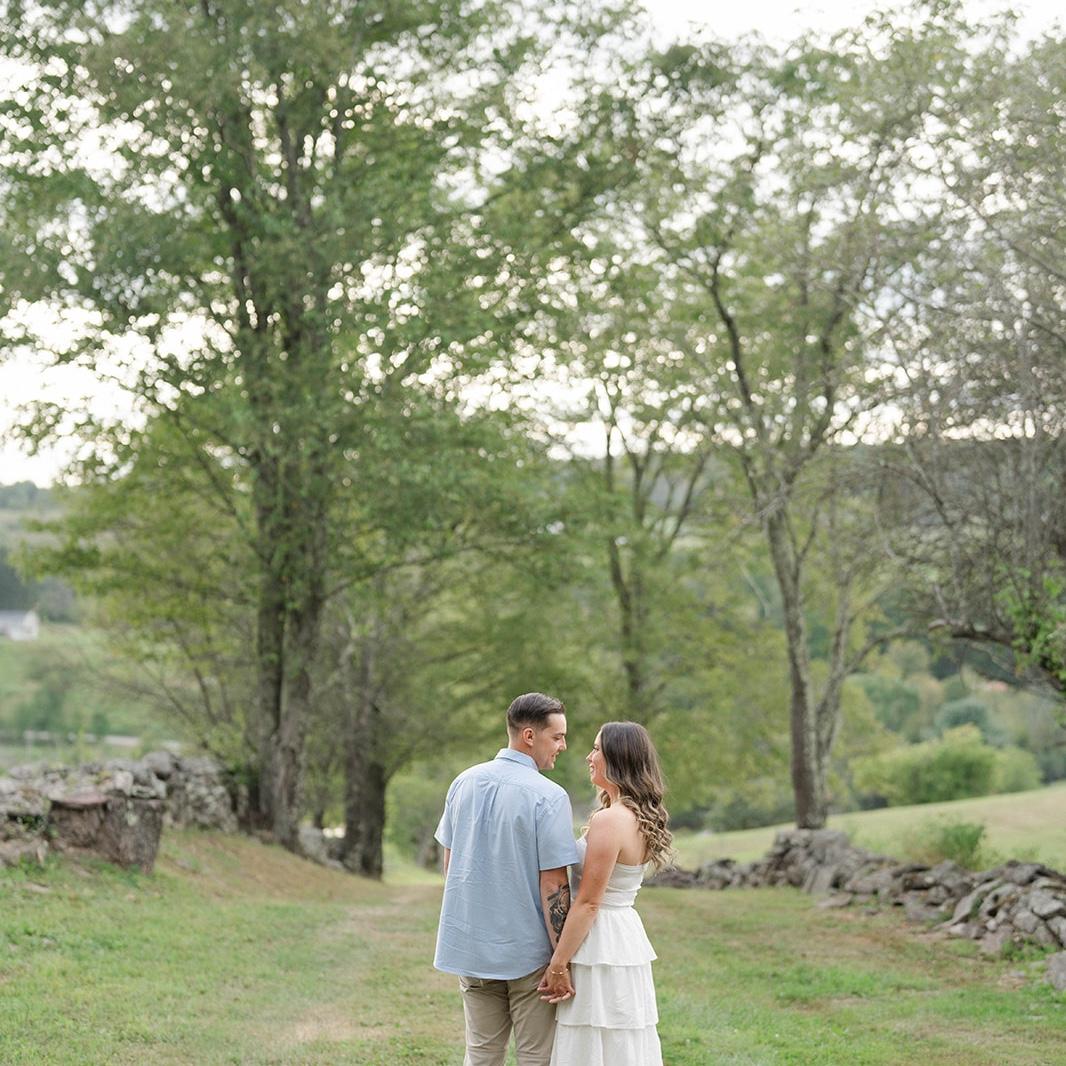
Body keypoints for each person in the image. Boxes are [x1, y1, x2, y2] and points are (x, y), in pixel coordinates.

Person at [434, 692, 580, 1066]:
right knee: (536, 1057)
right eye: (557, 737)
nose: (563, 746)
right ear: (529, 736)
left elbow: (451, 867)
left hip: (471, 949)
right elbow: (554, 885)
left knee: (481, 1054)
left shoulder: (463, 782)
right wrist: (560, 961)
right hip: (528, 955)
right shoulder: (549, 797)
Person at [539, 720, 672, 1066]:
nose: (588, 757)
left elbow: (588, 902)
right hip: (624, 936)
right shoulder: (637, 817)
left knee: (594, 1035)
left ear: (617, 758)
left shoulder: (610, 820)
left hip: (600, 940)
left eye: (596, 749)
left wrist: (558, 963)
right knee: (620, 1038)